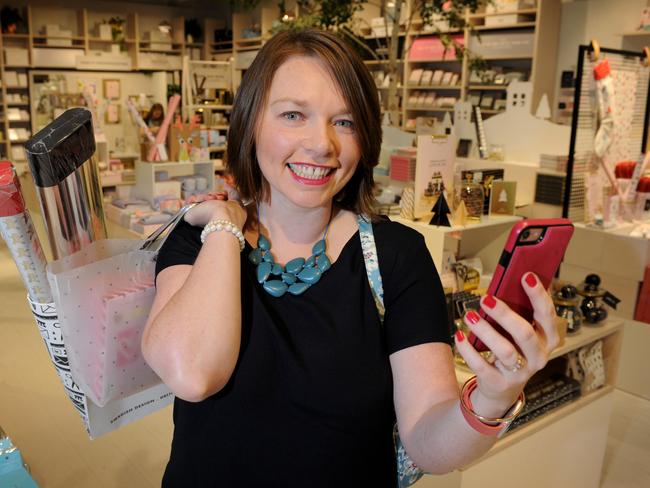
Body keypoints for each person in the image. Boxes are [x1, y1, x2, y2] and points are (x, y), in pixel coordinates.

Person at [142, 29, 561, 487]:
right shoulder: (200, 235)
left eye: (344, 122)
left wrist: (494, 398)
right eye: (293, 114)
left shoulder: (396, 254)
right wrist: (224, 225)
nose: (322, 144)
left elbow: (428, 445)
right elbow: (192, 375)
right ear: (250, 123)